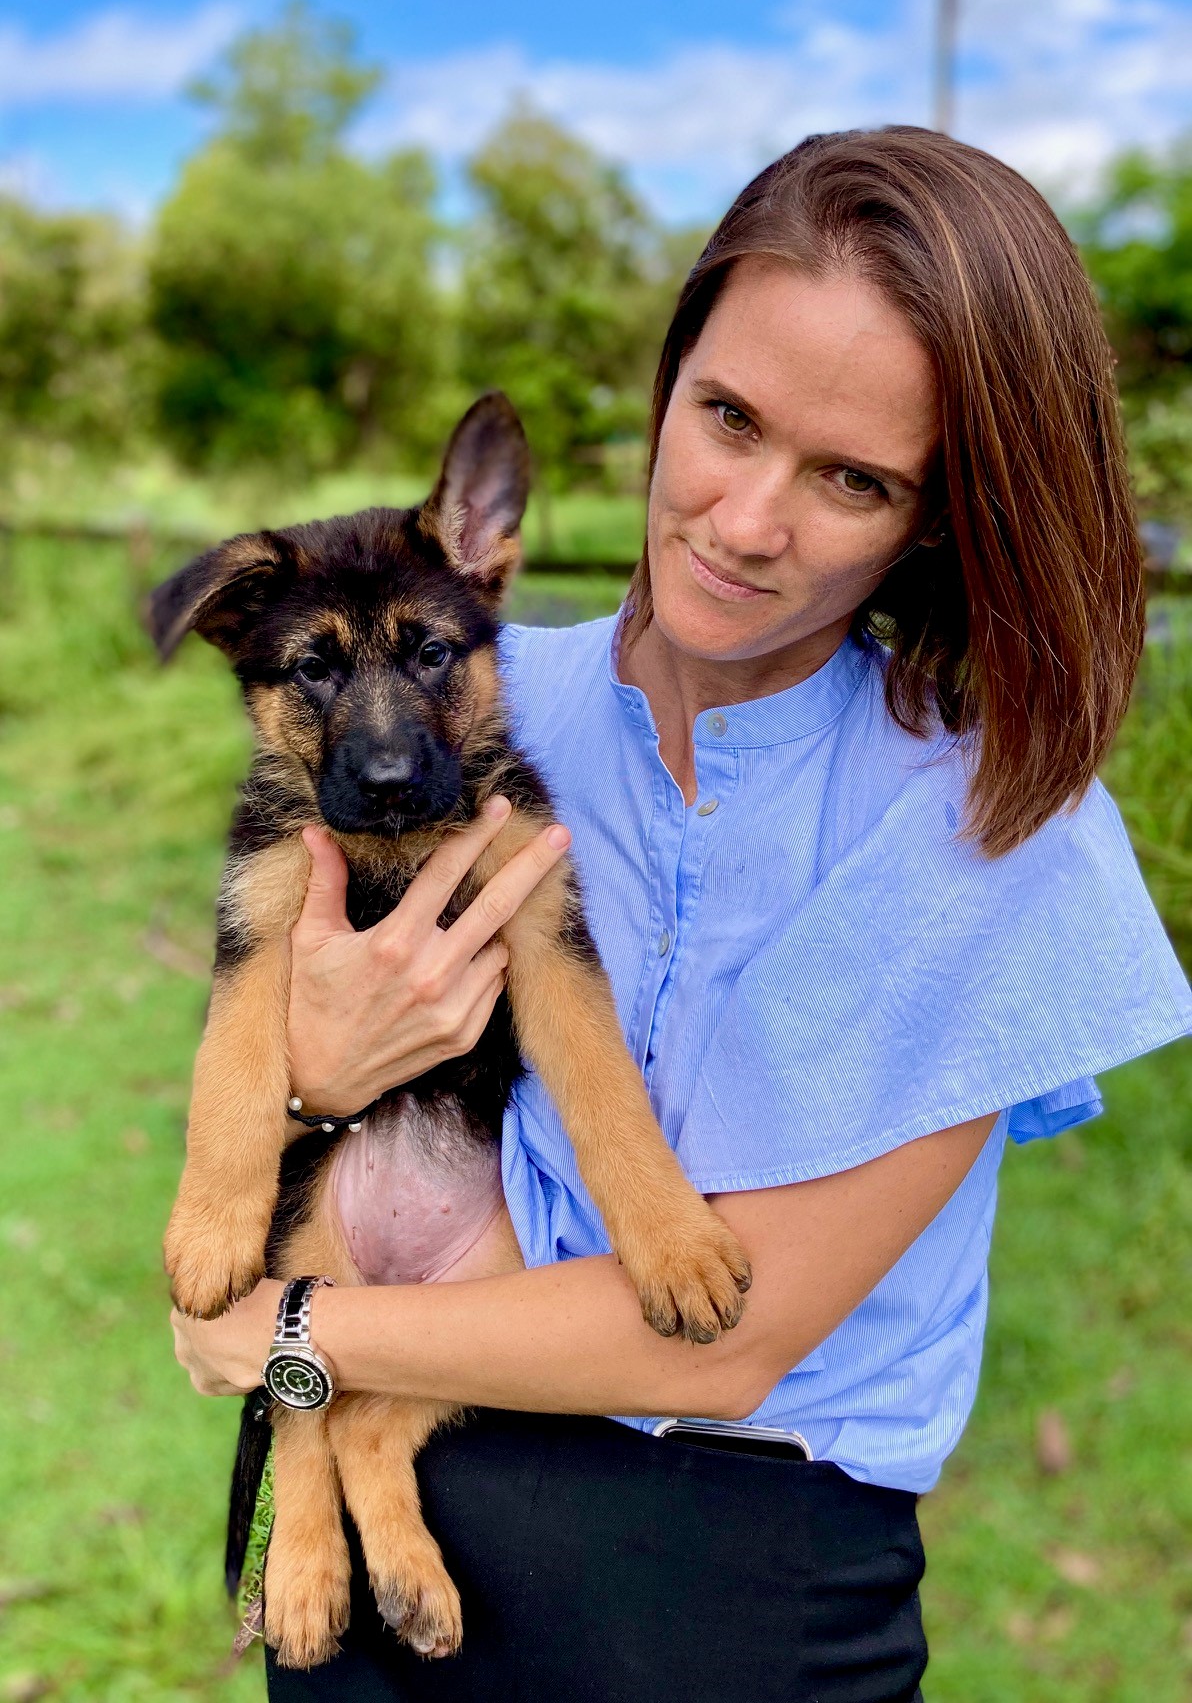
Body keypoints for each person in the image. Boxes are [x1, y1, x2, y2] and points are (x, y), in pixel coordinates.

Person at [171, 127, 1192, 1702]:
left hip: (727, 1597)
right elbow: (295, 1065)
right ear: (669, 387)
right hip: (387, 1555)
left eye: (855, 477)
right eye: (728, 418)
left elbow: (720, 1341)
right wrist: (302, 1085)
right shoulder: (494, 705)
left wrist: (289, 1335)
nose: (747, 520)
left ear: (936, 515)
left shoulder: (998, 830)